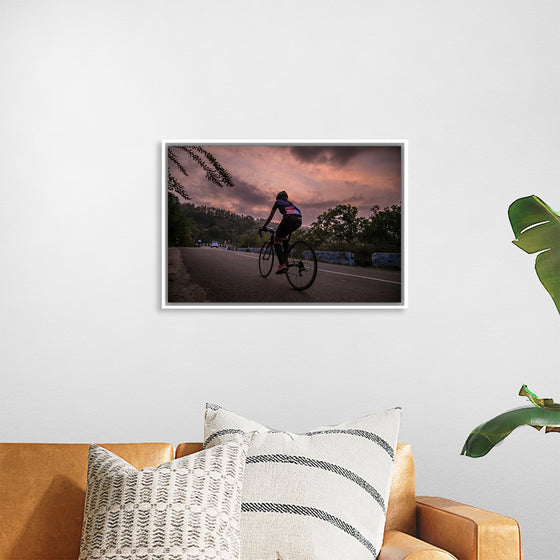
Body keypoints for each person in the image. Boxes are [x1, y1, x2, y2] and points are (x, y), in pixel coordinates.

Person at [261, 190, 302, 274]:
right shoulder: (291, 204)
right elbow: (293, 219)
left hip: (289, 218)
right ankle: (286, 258)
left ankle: (282, 265)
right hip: (299, 219)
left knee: (277, 240)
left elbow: (270, 217)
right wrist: (289, 235)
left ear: (278, 198)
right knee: (284, 238)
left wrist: (264, 226)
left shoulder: (278, 202)